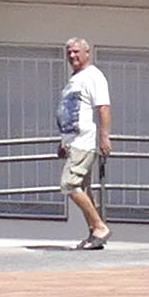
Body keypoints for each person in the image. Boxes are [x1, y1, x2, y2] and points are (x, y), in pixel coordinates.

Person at [56, 37, 113, 249]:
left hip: (84, 142)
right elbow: (71, 112)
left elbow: (103, 107)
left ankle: (100, 227)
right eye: (69, 52)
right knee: (83, 189)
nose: (72, 55)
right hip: (73, 142)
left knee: (69, 184)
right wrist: (63, 141)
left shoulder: (93, 76)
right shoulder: (75, 79)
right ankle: (93, 234)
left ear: (87, 53)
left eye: (76, 51)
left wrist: (104, 137)